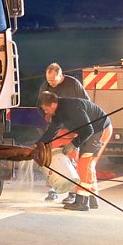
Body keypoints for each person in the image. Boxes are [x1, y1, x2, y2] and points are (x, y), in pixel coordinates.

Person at [37, 91, 113, 211]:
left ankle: (82, 202)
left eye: (46, 109)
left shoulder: (72, 108)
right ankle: (92, 198)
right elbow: (51, 132)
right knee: (86, 164)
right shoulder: (58, 112)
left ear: (53, 105)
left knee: (84, 164)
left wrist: (72, 145)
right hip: (91, 132)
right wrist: (37, 145)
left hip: (100, 129)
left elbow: (88, 130)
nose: (45, 112)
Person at [37, 63, 88, 202]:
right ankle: (52, 190)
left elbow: (85, 102)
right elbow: (40, 106)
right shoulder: (45, 86)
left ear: (61, 76)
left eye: (53, 80)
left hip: (72, 129)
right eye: (49, 80)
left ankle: (72, 192)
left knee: (71, 159)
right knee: (51, 158)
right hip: (55, 128)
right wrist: (46, 116)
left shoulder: (73, 84)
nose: (51, 83)